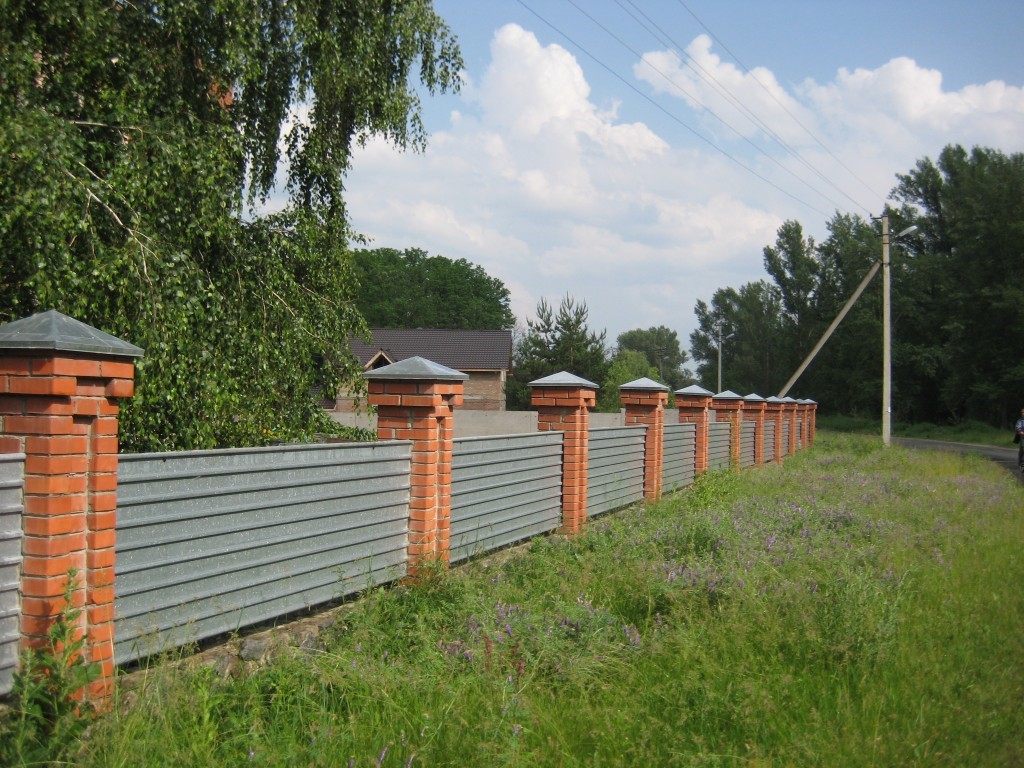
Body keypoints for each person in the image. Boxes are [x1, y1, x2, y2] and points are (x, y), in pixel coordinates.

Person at [1015, 407, 1024, 472]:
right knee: (1022, 447)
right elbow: (1018, 427)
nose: (1023, 413)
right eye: (1022, 412)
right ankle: (1021, 462)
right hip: (1023, 436)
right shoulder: (1020, 420)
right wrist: (1020, 432)